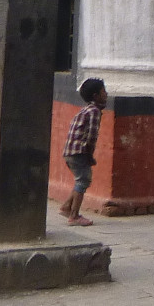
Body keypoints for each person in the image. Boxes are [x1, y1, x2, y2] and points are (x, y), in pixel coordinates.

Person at [59, 77, 107, 227]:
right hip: (79, 152)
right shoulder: (94, 112)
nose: (106, 94)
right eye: (103, 91)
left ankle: (67, 206)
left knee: (81, 179)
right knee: (83, 180)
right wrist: (89, 154)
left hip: (70, 152)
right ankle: (74, 215)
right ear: (96, 96)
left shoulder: (85, 110)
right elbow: (91, 135)